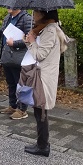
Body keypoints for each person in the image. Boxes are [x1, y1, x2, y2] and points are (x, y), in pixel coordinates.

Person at [23, 10, 68, 157]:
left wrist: (32, 43)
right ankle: (42, 143)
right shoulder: (49, 28)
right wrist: (30, 42)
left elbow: (40, 55)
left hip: (43, 77)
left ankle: (43, 146)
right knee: (39, 109)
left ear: (44, 14)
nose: (34, 15)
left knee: (40, 110)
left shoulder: (50, 31)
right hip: (44, 75)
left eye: (36, 13)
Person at [0, 8, 32, 119]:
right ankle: (12, 105)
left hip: (19, 57)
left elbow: (30, 39)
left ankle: (22, 109)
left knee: (21, 83)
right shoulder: (7, 18)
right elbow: (3, 36)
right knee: (11, 82)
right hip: (7, 56)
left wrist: (15, 43)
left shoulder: (27, 19)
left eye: (11, 5)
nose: (8, 7)